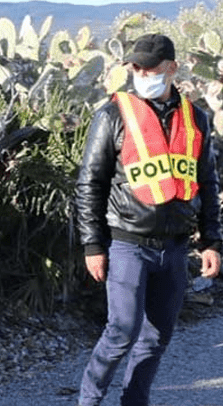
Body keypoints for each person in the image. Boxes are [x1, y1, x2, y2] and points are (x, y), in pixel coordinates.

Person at [75, 33, 222, 406]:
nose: (140, 73)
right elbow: (89, 182)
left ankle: (134, 401)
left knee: (157, 337)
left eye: (149, 67)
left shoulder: (197, 119)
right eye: (135, 67)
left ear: (171, 69)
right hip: (128, 244)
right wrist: (93, 245)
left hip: (174, 249)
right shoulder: (112, 116)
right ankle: (89, 401)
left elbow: (206, 181)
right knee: (121, 331)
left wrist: (210, 241)